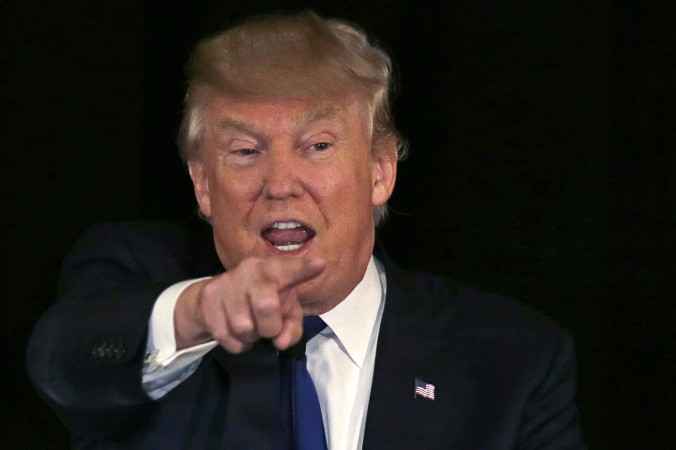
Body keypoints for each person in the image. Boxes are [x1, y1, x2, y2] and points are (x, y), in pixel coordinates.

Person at [27, 11, 586, 449]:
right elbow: (65, 360)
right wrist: (199, 312)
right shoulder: (133, 269)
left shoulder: (511, 359)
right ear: (202, 183)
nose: (280, 184)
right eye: (246, 151)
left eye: (317, 146)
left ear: (380, 171)